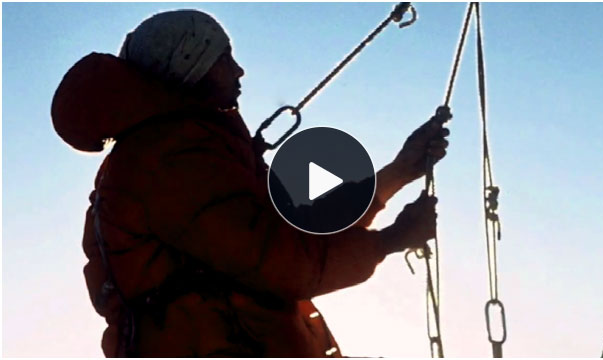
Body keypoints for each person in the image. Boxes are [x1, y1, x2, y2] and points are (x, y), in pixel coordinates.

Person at [51, 9, 450, 357]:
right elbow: (279, 259)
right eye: (224, 57)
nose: (239, 70)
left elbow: (297, 231)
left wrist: (399, 171)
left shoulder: (191, 151)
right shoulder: (171, 159)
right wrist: (390, 240)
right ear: (193, 64)